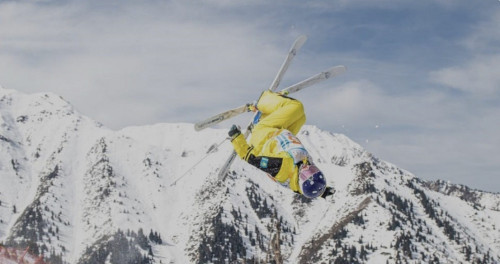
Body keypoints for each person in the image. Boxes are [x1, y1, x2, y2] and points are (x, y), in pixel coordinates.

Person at [228, 90, 335, 199]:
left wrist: (236, 137)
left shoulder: (282, 168)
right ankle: (271, 109)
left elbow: (250, 158)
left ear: (300, 179)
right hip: (279, 134)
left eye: (307, 172)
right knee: (301, 118)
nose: (308, 167)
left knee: (297, 107)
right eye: (314, 169)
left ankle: (263, 102)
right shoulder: (302, 180)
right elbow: (309, 188)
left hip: (264, 135)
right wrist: (323, 191)